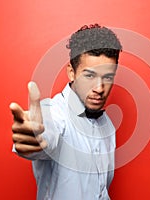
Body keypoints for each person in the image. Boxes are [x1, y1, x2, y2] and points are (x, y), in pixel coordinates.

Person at [10, 24, 122, 200]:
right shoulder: (53, 112)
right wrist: (34, 139)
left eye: (107, 77)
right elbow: (46, 132)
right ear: (71, 72)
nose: (100, 88)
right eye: (89, 76)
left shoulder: (108, 125)